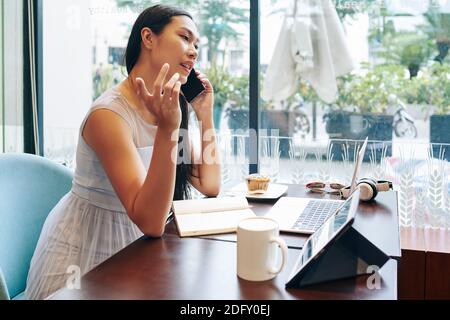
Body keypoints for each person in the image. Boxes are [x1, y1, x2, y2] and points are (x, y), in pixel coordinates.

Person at [25, 4, 221, 300]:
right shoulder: (109, 115)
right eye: (184, 38)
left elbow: (210, 184)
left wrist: (205, 116)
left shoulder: (171, 105)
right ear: (148, 38)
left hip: (137, 248)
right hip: (82, 262)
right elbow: (152, 222)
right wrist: (168, 129)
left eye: (196, 45)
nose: (193, 51)